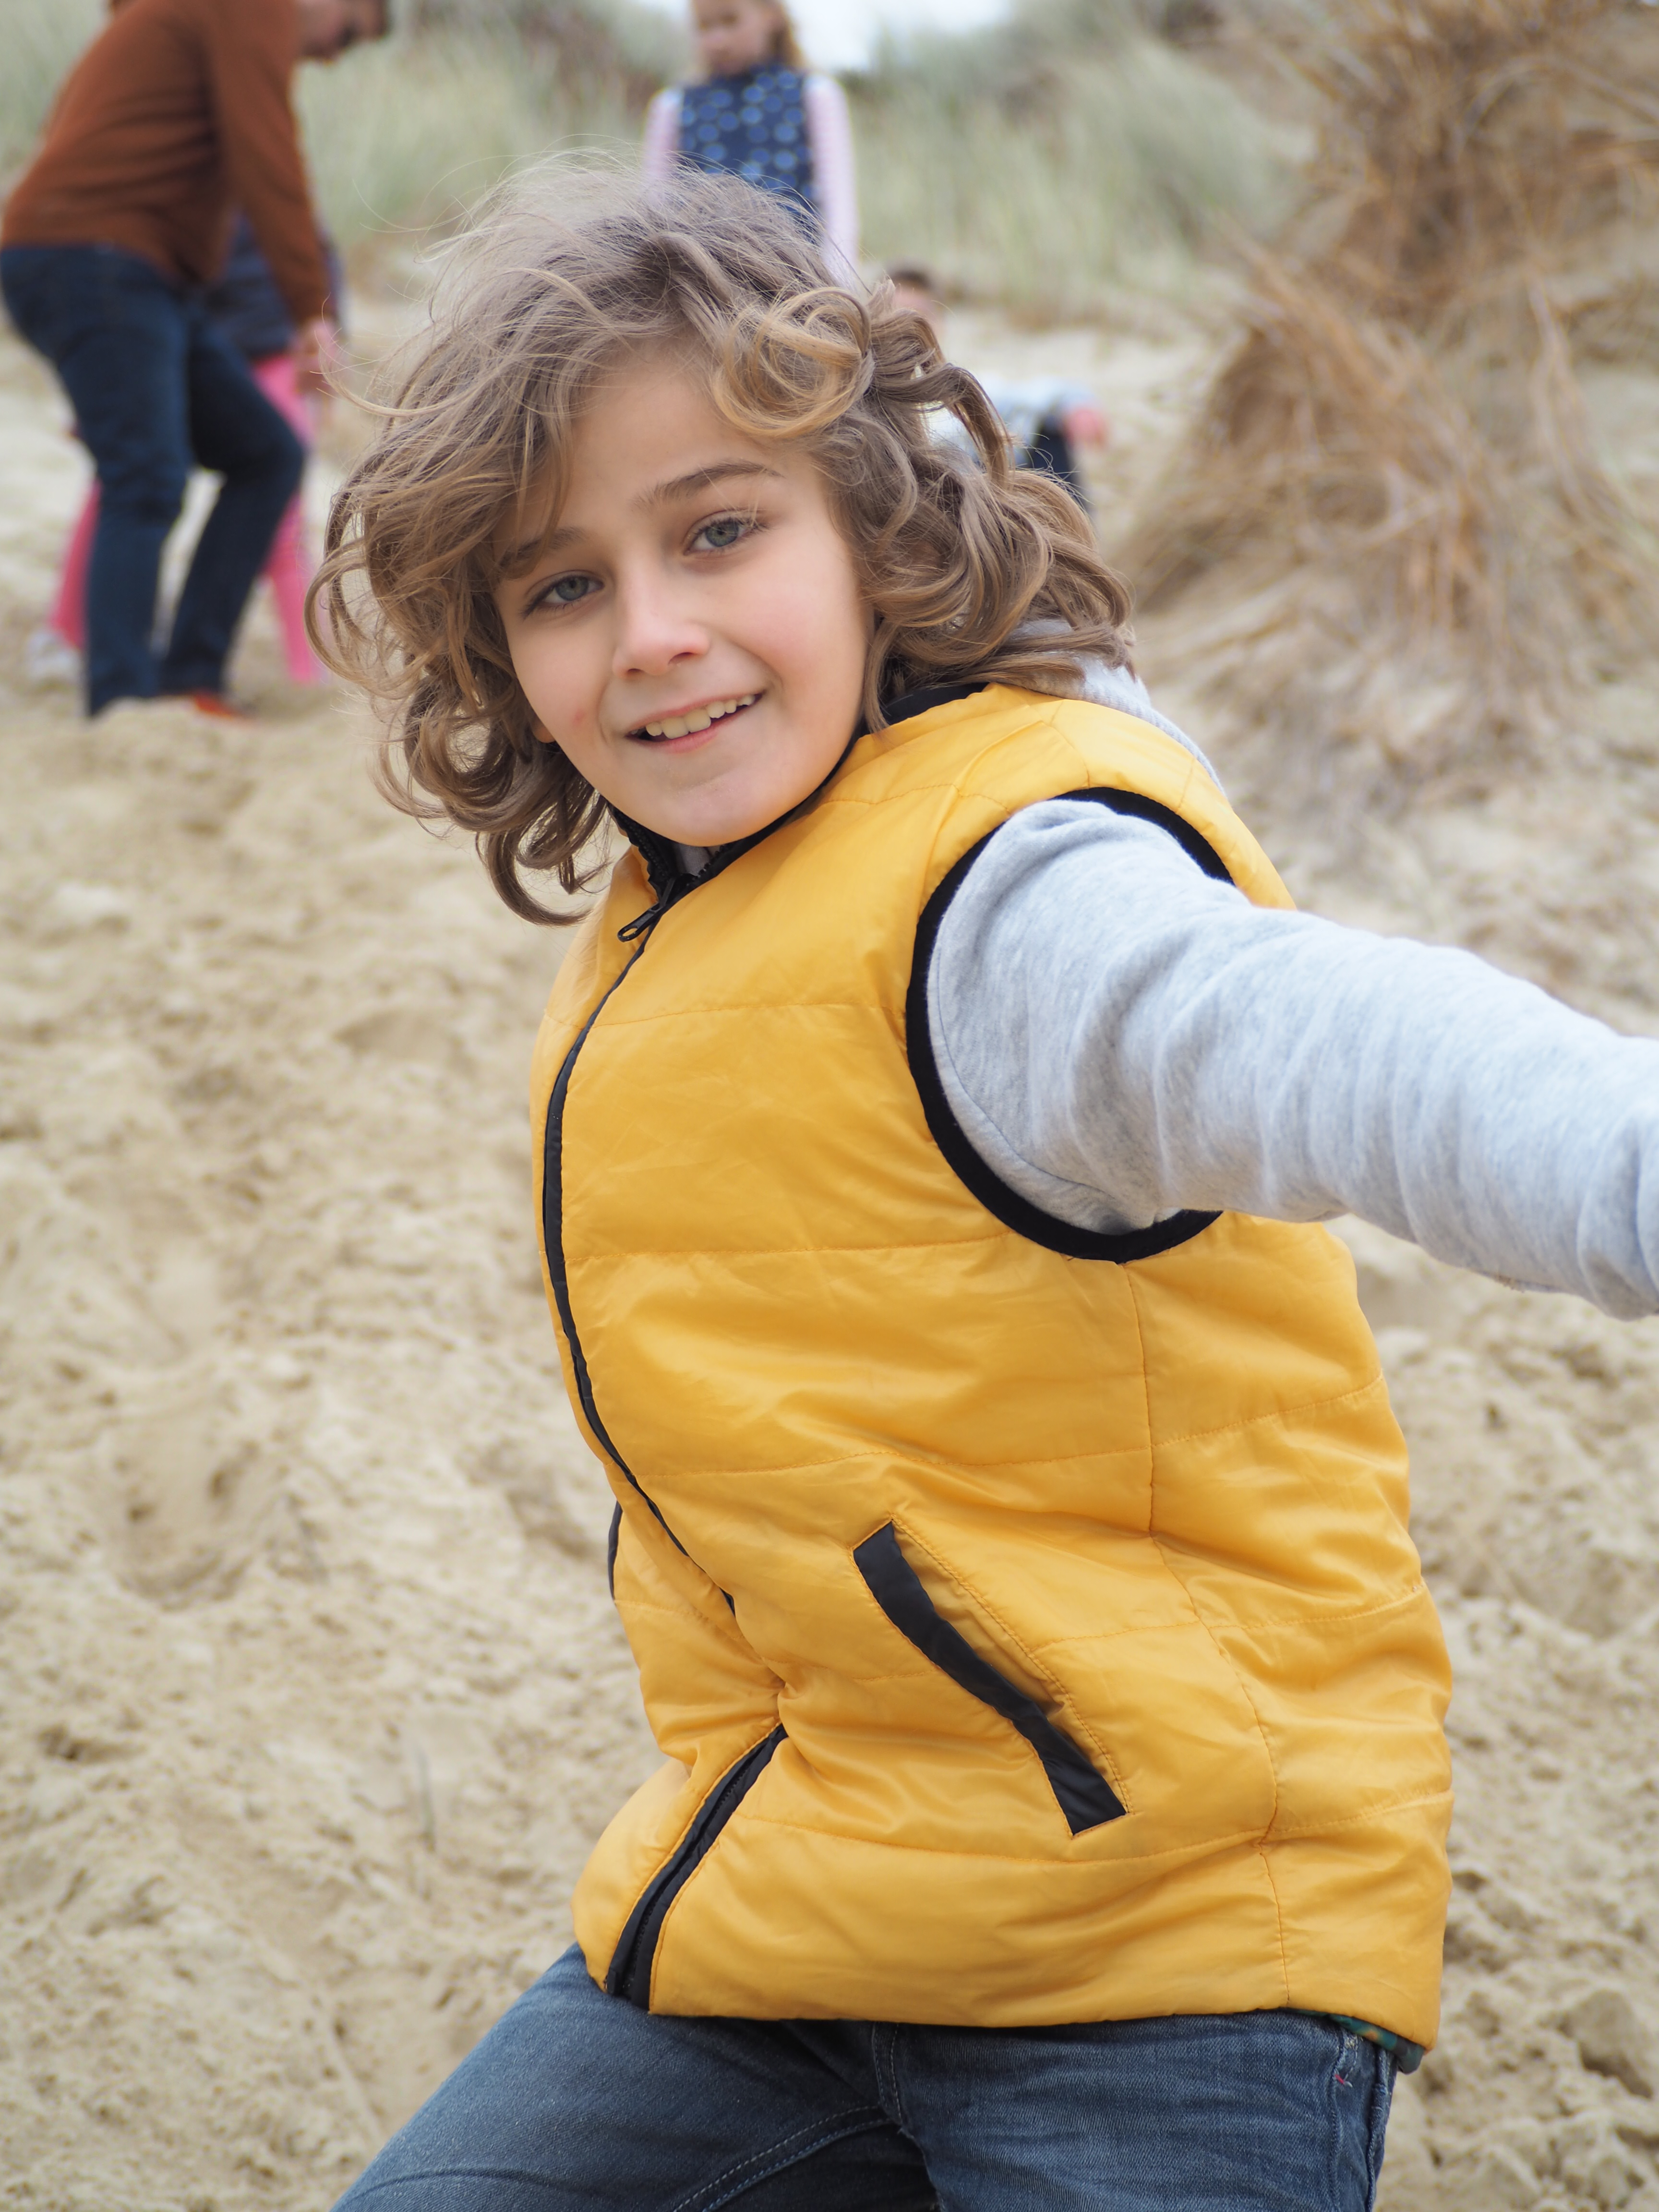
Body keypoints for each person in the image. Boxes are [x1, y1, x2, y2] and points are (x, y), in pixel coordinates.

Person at [314, 168, 1659, 2209]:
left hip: (1170, 1951)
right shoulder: (679, 906)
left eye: (717, 529)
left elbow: (1345, 1047)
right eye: (560, 584)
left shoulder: (1011, 896)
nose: (651, 631)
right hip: (791, 1902)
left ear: (874, 521)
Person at [0, 0, 387, 719]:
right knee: (146, 477)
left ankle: (190, 683)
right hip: (97, 256)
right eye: (352, 33)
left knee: (267, 453)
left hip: (136, 272)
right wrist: (310, 310)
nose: (334, 56)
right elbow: (268, 151)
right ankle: (122, 703)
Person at [34, 215, 348, 692]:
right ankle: (64, 636)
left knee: (283, 520)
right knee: (126, 480)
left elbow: (320, 264)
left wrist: (324, 355)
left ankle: (311, 673)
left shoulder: (280, 203)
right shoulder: (173, 196)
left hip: (267, 350)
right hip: (180, 347)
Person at [642, 0, 857, 276]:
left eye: (731, 21)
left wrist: (837, 286)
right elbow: (654, 206)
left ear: (770, 16)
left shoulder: (815, 95)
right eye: (704, 26)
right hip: (702, 285)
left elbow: (839, 210)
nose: (718, 40)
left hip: (794, 281)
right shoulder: (673, 107)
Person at [889, 262, 1110, 507]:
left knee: (1046, 433)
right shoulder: (869, 397)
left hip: (980, 497)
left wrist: (1075, 403)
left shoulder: (963, 384)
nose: (910, 327)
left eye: (921, 316)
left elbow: (1030, 396)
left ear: (940, 324)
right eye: (897, 314)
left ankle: (1069, 528)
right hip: (918, 500)